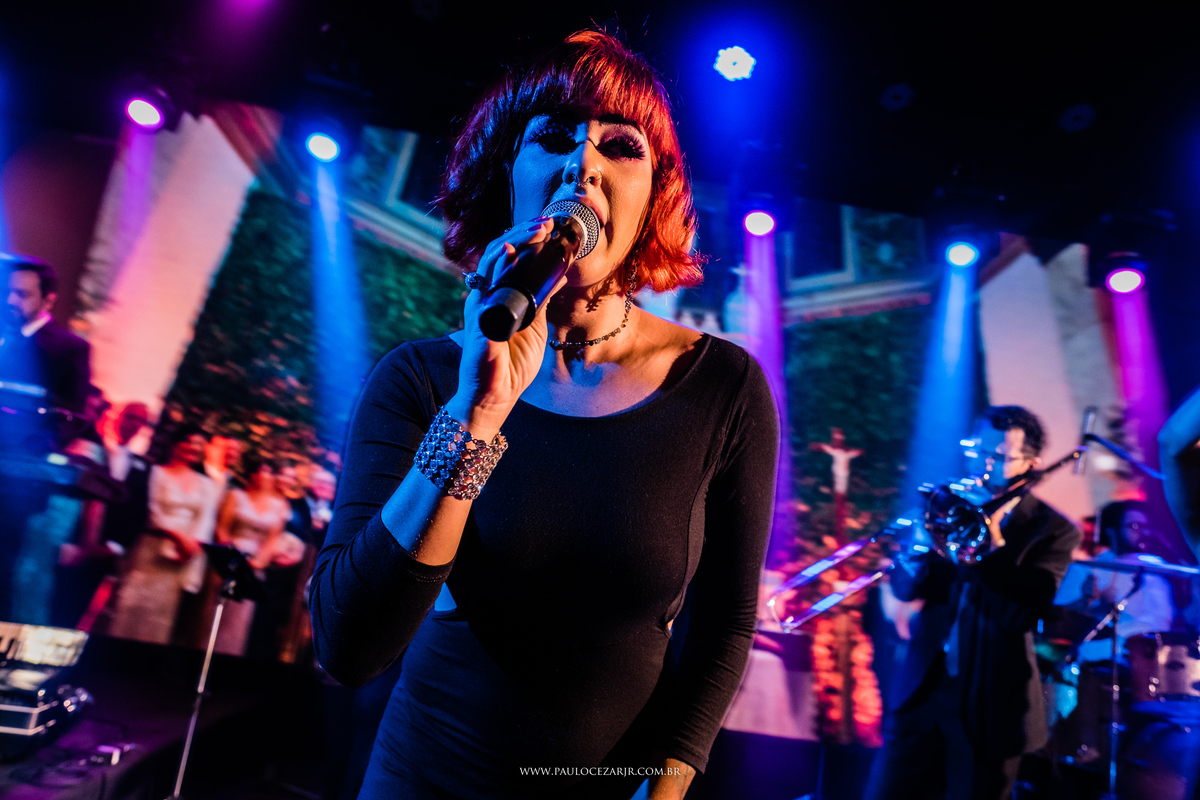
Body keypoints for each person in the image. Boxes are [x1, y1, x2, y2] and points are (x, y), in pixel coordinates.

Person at [309, 30, 779, 800]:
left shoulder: (722, 386)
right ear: (510, 177)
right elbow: (348, 646)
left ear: (654, 195)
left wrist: (665, 786)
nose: (583, 164)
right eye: (554, 138)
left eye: (620, 146)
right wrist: (477, 413)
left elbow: (723, 625)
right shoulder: (422, 380)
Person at [864, 406, 1080, 800]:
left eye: (999, 456)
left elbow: (1019, 614)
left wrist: (989, 543)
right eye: (977, 450)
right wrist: (916, 550)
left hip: (992, 708)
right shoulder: (947, 505)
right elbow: (907, 591)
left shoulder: (1053, 530)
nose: (983, 464)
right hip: (922, 693)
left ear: (1031, 464)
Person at [106, 426, 221, 644]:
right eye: (189, 442)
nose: (194, 448)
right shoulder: (155, 472)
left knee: (161, 615)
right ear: (175, 444)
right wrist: (176, 536)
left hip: (182, 555)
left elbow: (206, 519)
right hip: (153, 546)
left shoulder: (207, 484)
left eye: (199, 444)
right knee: (132, 604)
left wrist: (193, 546)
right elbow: (151, 510)